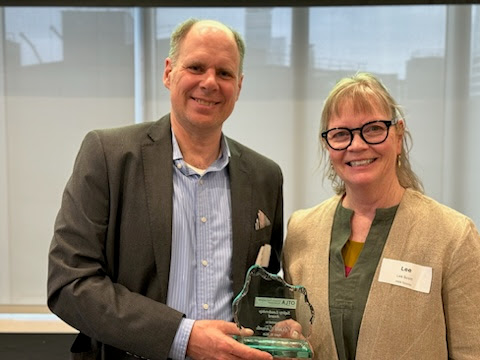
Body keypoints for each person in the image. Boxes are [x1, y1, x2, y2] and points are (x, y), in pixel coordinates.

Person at [47, 18, 284, 360]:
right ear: (169, 72)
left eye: (224, 73)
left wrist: (280, 326)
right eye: (197, 67)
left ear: (239, 85)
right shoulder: (108, 155)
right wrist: (183, 337)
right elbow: (69, 283)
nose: (209, 82)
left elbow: (263, 287)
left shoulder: (266, 176)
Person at [282, 72, 480, 359]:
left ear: (398, 136)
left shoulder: (453, 236)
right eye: (340, 134)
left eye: (373, 129)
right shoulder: (302, 230)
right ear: (328, 146)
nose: (357, 145)